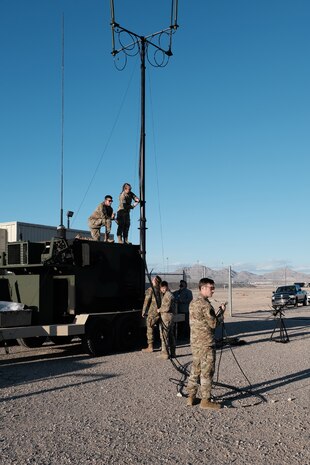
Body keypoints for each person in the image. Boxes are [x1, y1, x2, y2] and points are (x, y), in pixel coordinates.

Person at [186, 277, 226, 410]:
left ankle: (191, 397)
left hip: (195, 343)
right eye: (211, 288)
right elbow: (214, 324)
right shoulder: (205, 305)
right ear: (202, 288)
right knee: (207, 372)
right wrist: (221, 314)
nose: (213, 290)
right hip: (206, 344)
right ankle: (205, 400)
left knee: (195, 369)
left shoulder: (193, 302)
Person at [141, 276, 162, 353]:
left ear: (155, 281)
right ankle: (163, 346)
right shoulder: (160, 289)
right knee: (161, 329)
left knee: (150, 328)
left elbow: (146, 300)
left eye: (154, 278)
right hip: (160, 311)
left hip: (152, 312)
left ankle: (150, 347)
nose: (152, 279)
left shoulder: (151, 289)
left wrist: (143, 311)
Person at [157, 281, 176, 360]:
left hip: (166, 317)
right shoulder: (169, 294)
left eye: (162, 288)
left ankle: (165, 354)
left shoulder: (168, 295)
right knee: (170, 335)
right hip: (169, 317)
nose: (162, 290)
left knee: (164, 335)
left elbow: (166, 308)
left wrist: (159, 310)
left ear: (165, 287)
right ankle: (172, 353)